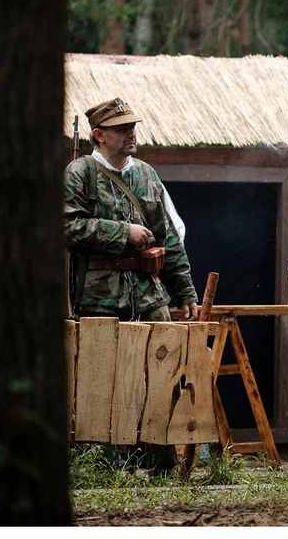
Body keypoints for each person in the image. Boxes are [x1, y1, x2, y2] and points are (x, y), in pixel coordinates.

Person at [63, 97, 199, 473]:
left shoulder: (146, 174)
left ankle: (161, 464)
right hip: (100, 296)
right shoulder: (80, 174)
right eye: (123, 129)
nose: (131, 134)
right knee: (101, 383)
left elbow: (168, 237)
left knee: (165, 374)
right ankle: (100, 467)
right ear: (98, 135)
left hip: (149, 291)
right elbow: (67, 227)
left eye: (132, 127)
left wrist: (185, 290)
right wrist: (122, 232)